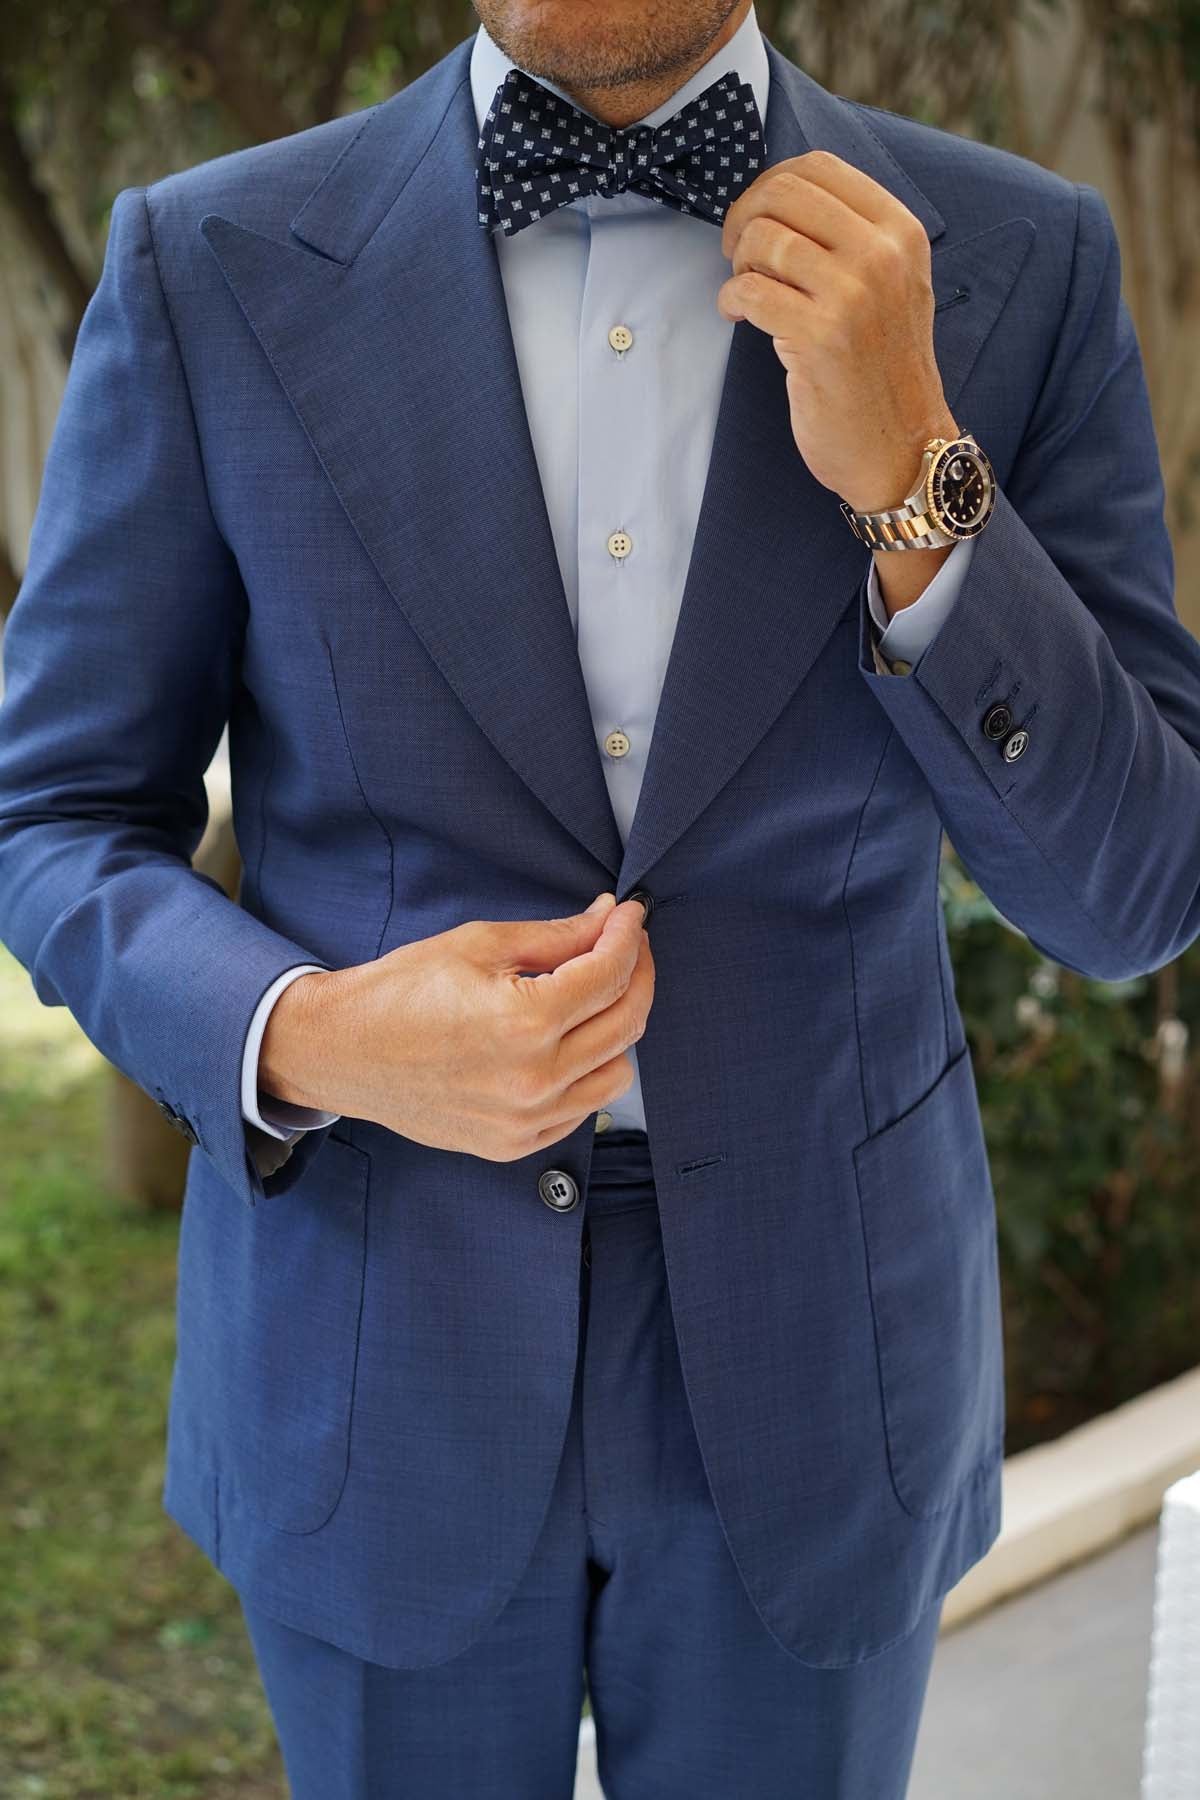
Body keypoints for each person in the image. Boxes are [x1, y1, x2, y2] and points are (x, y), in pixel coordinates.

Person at [2, 0, 1199, 1792]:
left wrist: (920, 488)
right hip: (372, 1354)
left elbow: (1135, 892)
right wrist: (313, 1037)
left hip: (822, 1368)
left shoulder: (1017, 257)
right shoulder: (212, 259)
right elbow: (57, 813)